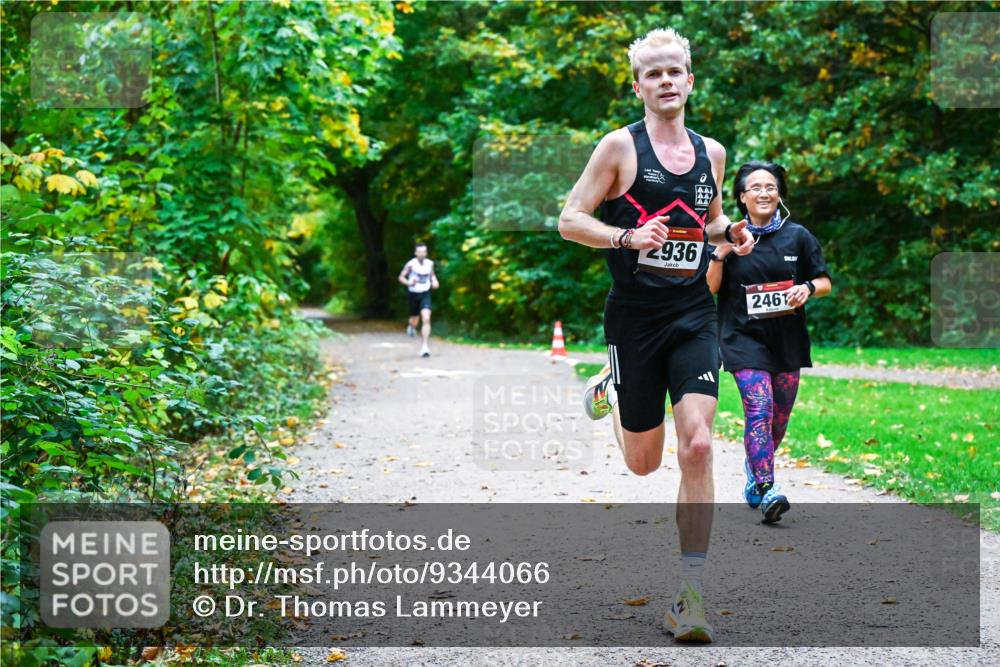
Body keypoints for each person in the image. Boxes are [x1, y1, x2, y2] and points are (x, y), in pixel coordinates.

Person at [559, 28, 754, 643]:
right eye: (654, 74)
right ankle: (614, 387)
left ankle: (690, 597)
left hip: (695, 313)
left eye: (676, 71)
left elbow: (711, 217)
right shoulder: (619, 147)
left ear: (691, 80)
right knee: (644, 465)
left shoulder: (712, 152)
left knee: (697, 446)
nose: (666, 81)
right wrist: (624, 238)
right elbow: (571, 219)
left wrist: (731, 235)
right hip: (634, 320)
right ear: (638, 85)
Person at [706, 161, 832, 524]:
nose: (764, 193)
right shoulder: (725, 237)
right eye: (756, 187)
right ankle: (766, 487)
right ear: (742, 197)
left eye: (771, 187)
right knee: (758, 410)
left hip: (787, 341)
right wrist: (722, 252)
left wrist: (806, 288)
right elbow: (708, 289)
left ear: (779, 194)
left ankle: (753, 467)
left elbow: (824, 281)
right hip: (741, 339)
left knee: (778, 419)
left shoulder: (799, 237)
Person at [398, 242, 439, 357]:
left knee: (426, 319)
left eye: (423, 252)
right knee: (414, 319)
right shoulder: (411, 264)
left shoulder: (430, 264)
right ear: (415, 253)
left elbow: (432, 275)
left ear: (426, 253)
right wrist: (409, 282)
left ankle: (425, 347)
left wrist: (434, 281)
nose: (421, 254)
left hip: (425, 293)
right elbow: (401, 277)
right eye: (419, 252)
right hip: (413, 294)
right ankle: (411, 326)